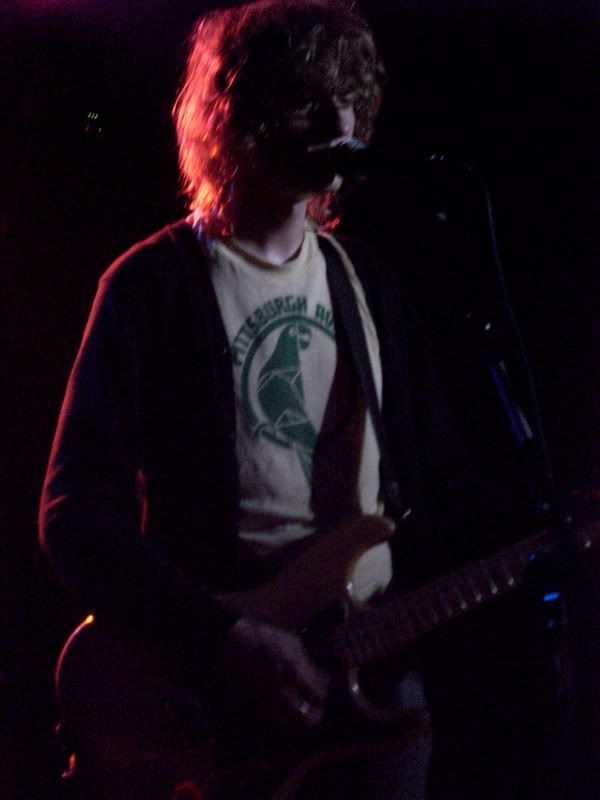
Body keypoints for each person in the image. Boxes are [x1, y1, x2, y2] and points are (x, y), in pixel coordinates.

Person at [39, 2, 562, 798]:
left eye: (346, 97)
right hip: (219, 693)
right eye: (304, 98)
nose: (336, 120)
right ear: (235, 118)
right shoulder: (152, 287)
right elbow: (75, 515)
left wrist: (553, 526)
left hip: (374, 678)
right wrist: (224, 639)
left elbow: (444, 488)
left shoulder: (369, 283)